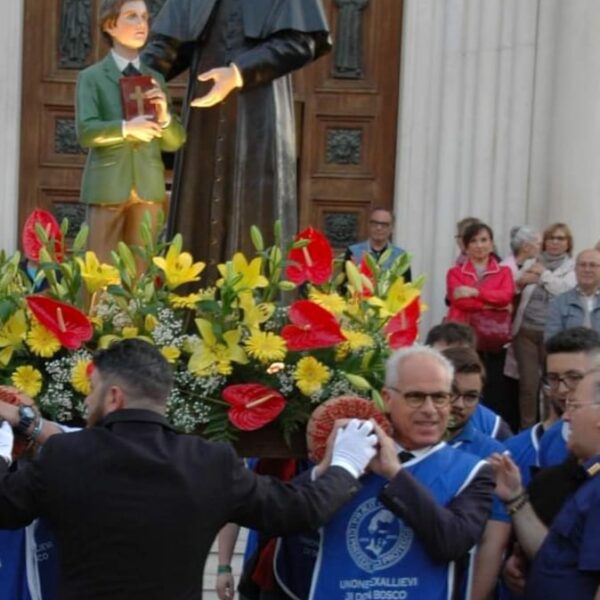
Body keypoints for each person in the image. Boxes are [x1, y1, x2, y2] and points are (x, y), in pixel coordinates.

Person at [0, 339, 382, 599]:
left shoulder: (65, 455)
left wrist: (2, 447)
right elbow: (298, 509)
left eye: (93, 390)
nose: (88, 401)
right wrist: (347, 461)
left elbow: (4, 506)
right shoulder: (210, 462)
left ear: (114, 396)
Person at [273, 346, 495, 600]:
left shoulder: (473, 471)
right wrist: (327, 469)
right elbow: (284, 517)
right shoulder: (352, 457)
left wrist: (394, 474)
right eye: (415, 397)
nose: (430, 409)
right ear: (387, 398)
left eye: (440, 397)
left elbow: (451, 543)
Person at [142, 0, 331, 274]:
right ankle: (189, 310)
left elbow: (302, 42)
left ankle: (254, 310)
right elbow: (168, 46)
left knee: (254, 212)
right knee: (198, 208)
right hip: (203, 119)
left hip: (259, 115)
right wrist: (132, 77)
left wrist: (238, 73)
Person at [76, 0, 186, 264]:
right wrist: (126, 129)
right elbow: (86, 131)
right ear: (110, 25)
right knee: (99, 272)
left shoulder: (155, 79)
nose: (142, 25)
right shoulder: (92, 77)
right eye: (132, 17)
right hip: (108, 186)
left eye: (145, 18)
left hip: (148, 187)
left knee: (141, 273)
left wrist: (166, 118)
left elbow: (175, 142)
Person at [490, 361, 600, 599]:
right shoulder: (588, 479)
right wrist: (515, 497)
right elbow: (559, 559)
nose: (566, 417)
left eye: (575, 406)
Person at [442, 347, 511, 600]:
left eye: (471, 397)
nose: (459, 405)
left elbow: (494, 540)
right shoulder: (404, 440)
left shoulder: (492, 453)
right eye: (452, 393)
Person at [446, 221, 516, 428]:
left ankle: (488, 429)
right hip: (464, 337)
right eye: (474, 241)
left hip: (493, 338)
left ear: (492, 244)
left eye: (484, 240)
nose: (479, 245)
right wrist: (494, 305)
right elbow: (459, 300)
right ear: (465, 247)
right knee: (460, 384)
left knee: (493, 388)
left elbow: (506, 296)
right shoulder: (455, 273)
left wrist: (476, 292)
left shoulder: (504, 273)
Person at [511, 222, 576, 429]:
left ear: (568, 244)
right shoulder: (532, 261)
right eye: (551, 238)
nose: (555, 242)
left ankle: (552, 428)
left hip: (553, 334)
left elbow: (564, 290)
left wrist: (542, 275)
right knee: (528, 387)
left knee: (553, 386)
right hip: (526, 332)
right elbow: (515, 284)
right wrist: (524, 280)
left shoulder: (573, 266)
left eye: (561, 239)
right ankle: (527, 430)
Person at [425, 320, 513, 441]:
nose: (453, 366)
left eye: (461, 358)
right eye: (443, 359)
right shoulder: (400, 415)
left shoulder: (492, 427)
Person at [545, 248, 600, 339]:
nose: (587, 269)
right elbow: (552, 338)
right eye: (582, 265)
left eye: (593, 265)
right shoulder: (559, 302)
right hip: (570, 352)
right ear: (575, 269)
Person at [344, 207, 412, 280]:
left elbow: (407, 287)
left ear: (392, 228)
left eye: (384, 224)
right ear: (368, 225)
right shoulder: (353, 251)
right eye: (375, 223)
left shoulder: (401, 256)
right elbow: (344, 285)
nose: (379, 228)